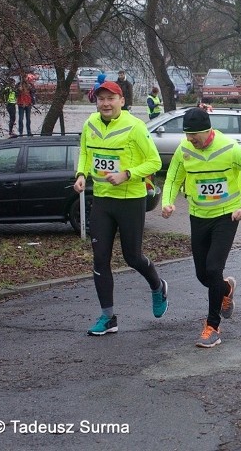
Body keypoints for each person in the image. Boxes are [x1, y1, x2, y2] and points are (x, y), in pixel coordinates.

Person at [161, 107, 241, 348]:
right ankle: (225, 288)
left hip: (226, 216)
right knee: (202, 274)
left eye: (193, 135)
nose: (189, 140)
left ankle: (213, 326)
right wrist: (167, 202)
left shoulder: (231, 149)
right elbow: (173, 179)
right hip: (198, 215)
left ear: (207, 130)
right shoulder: (184, 149)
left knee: (213, 267)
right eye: (187, 135)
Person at [73, 81, 167, 336]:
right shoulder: (90, 124)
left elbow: (154, 162)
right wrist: (81, 173)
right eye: (100, 99)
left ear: (121, 101)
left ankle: (158, 286)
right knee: (100, 259)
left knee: (132, 257)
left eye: (110, 99)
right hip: (102, 200)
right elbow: (84, 151)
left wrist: (128, 174)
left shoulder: (135, 127)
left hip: (130, 200)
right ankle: (108, 317)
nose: (105, 103)